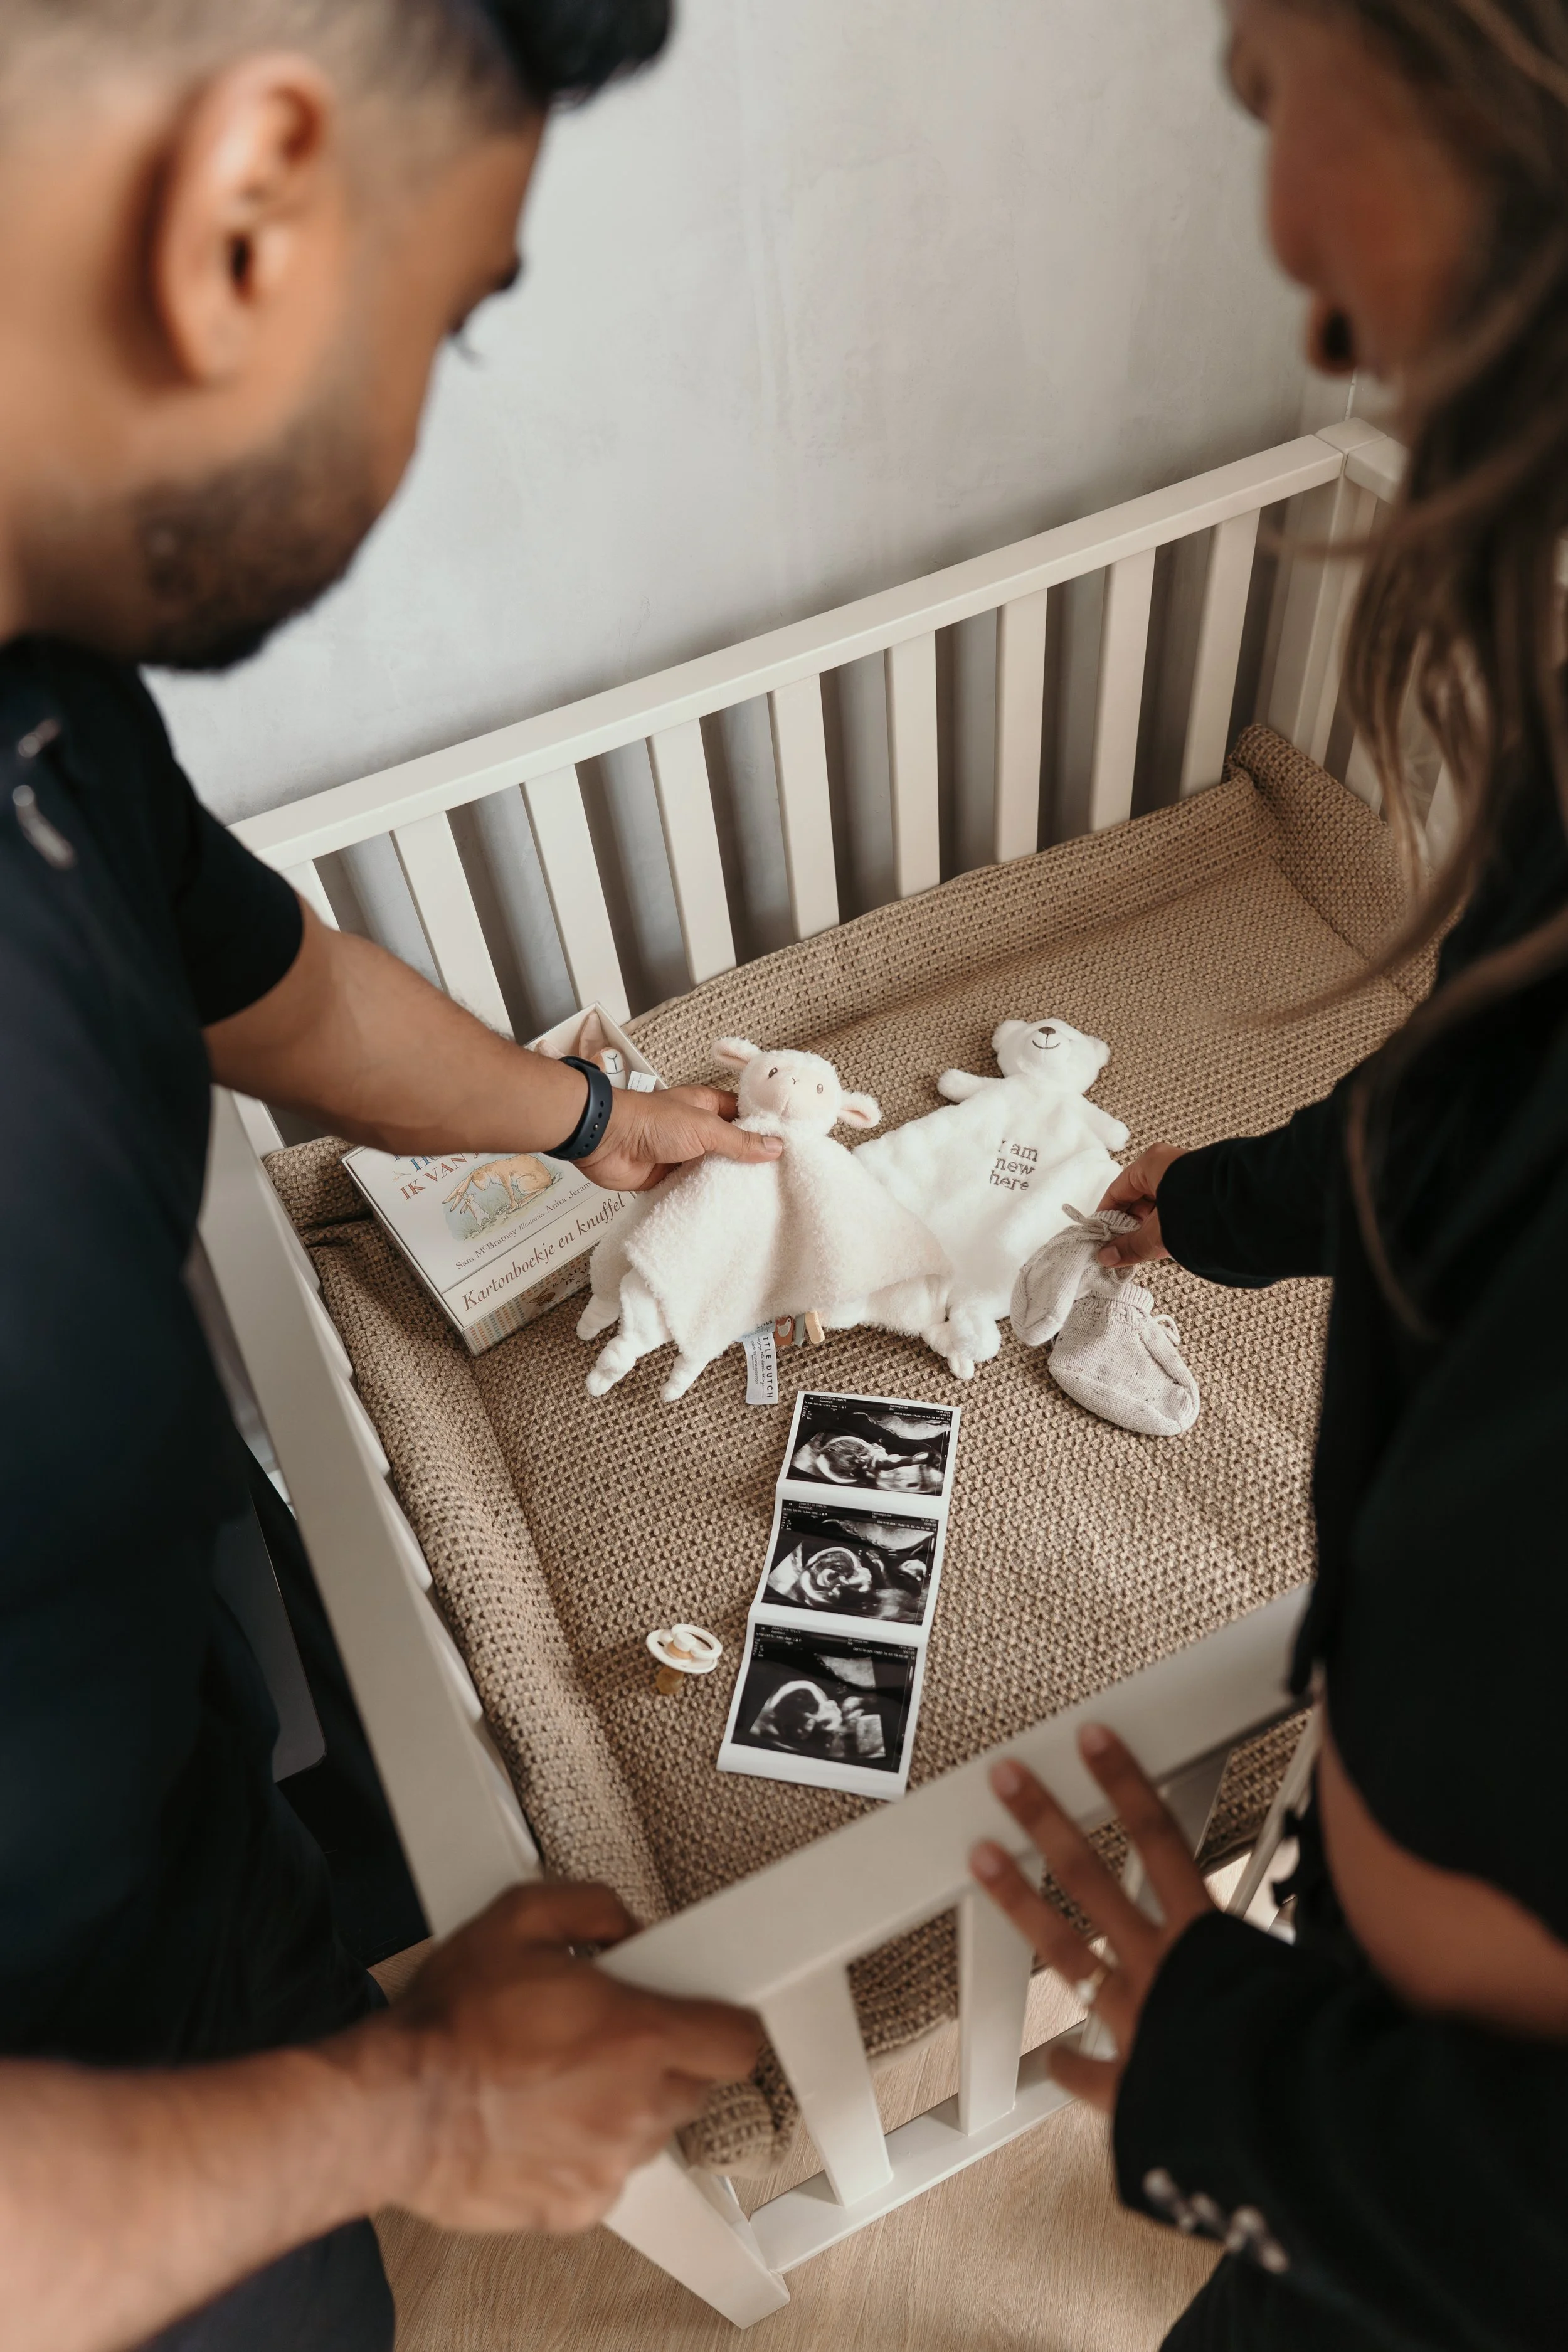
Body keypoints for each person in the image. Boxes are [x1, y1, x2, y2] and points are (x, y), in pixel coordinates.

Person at [0, 6, 780, 2349]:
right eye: (448, 315)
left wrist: (589, 1122)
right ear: (248, 218)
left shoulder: (53, 705)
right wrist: (418, 2114)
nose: (426, 417)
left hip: (169, 1839)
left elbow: (288, 994)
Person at [969, 3, 1568, 2345]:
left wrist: (1233, 2075)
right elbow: (1466, 1096)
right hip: (1363, 2085)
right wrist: (1209, 1202)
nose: (1299, 301)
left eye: (1256, 88)